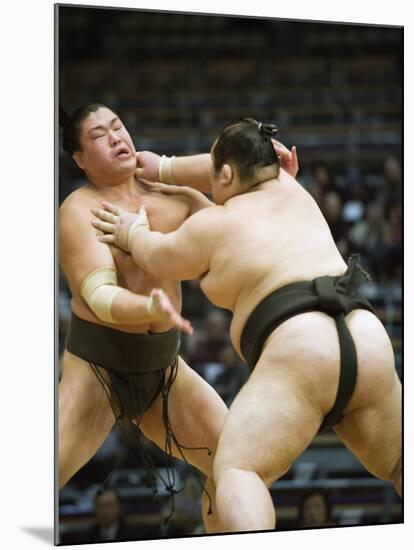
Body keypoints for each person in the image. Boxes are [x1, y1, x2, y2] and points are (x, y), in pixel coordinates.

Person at [92, 117, 402, 533]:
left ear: (225, 174)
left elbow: (157, 256)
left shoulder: (213, 225)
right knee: (401, 462)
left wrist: (134, 233)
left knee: (237, 471)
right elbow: (227, 164)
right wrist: (163, 167)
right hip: (367, 337)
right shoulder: (294, 189)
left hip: (302, 348)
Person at [58, 102, 230, 533]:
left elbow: (236, 236)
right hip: (97, 370)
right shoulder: (79, 209)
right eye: (99, 135)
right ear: (79, 159)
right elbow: (98, 294)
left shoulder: (173, 194)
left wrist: (274, 186)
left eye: (118, 126)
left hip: (165, 369)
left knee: (238, 464)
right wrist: (150, 307)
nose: (116, 137)